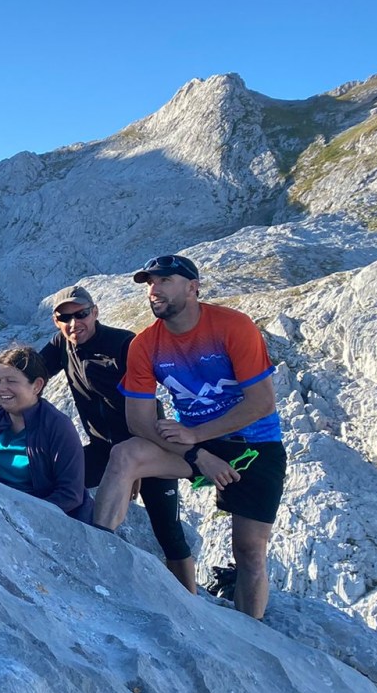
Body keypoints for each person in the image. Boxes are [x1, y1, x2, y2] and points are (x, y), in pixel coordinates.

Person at [94, 255, 287, 619]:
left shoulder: (233, 326)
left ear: (193, 287)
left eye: (165, 281)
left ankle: (253, 633)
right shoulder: (145, 345)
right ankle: (98, 553)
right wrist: (198, 453)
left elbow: (261, 402)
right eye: (150, 283)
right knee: (125, 455)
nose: (154, 290)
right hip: (193, 445)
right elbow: (138, 421)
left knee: (249, 551)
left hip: (256, 443)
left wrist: (195, 433)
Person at [39, 285, 194, 587]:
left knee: (169, 534)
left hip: (147, 448)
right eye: (64, 317)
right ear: (56, 322)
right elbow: (31, 376)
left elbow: (153, 402)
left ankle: (192, 605)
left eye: (81, 314)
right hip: (102, 449)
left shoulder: (123, 344)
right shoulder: (62, 344)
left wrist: (134, 467)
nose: (74, 323)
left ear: (95, 312)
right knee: (52, 482)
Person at [0, 347, 92, 519]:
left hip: (43, 517)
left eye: (11, 381)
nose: (2, 388)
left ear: (37, 385)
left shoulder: (58, 427)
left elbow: (70, 494)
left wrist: (24, 514)